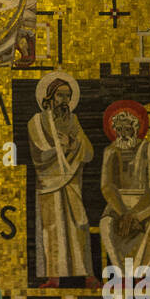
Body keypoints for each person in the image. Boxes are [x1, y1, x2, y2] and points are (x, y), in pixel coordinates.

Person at [27, 72, 94, 285]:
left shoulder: (74, 121)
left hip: (72, 182)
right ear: (49, 98)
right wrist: (63, 145)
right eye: (60, 96)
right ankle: (53, 276)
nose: (64, 101)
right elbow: (40, 149)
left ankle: (87, 275)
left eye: (68, 96)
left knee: (79, 224)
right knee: (52, 228)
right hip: (49, 183)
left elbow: (88, 152)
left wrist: (73, 144)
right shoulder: (37, 121)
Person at [98, 103, 150, 269]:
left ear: (136, 128)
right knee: (106, 225)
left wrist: (136, 215)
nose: (123, 134)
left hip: (147, 205)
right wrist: (123, 213)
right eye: (119, 129)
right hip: (117, 206)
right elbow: (107, 186)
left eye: (127, 129)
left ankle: (141, 274)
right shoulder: (110, 151)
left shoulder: (148, 148)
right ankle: (122, 274)